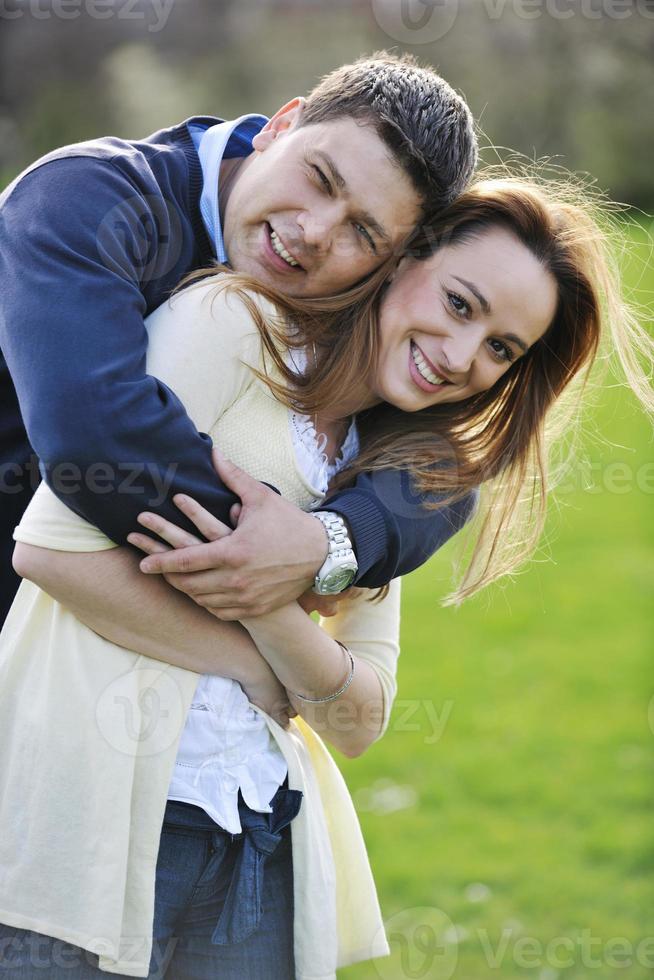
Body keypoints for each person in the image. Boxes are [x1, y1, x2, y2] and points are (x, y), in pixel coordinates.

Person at [1, 175, 652, 979]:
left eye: (500, 349)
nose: (460, 358)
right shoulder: (232, 324)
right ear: (404, 257)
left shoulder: (386, 471)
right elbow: (51, 553)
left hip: (263, 838)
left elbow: (358, 718)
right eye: (459, 303)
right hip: (86, 821)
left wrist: (278, 594)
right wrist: (267, 667)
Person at [0, 51, 478, 627]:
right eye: (320, 178)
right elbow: (94, 434)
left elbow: (442, 472)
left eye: (362, 230)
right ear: (280, 125)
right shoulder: (83, 199)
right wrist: (284, 559)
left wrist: (334, 541)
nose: (314, 233)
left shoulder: (352, 286)